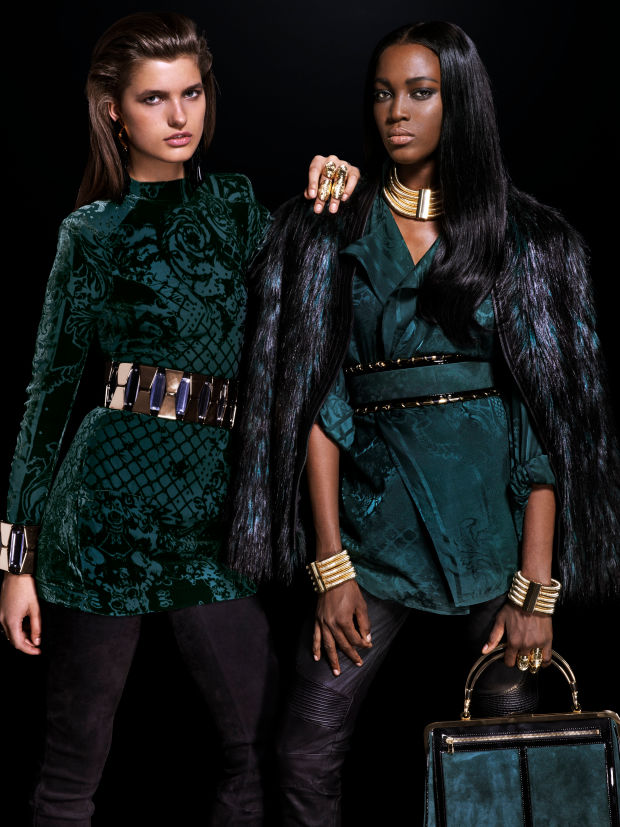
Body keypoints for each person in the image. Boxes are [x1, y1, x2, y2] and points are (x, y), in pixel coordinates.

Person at [226, 20, 620, 824]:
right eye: (382, 93)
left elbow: (544, 422)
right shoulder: (331, 226)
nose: (395, 112)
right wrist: (331, 565)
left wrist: (537, 591)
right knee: (303, 752)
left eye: (419, 92)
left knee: (509, 758)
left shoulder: (527, 240)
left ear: (459, 101)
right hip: (374, 533)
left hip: (495, 540)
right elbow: (317, 404)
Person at [0, 11, 359, 825]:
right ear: (114, 111)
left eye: (191, 93)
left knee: (257, 748)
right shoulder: (92, 232)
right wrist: (17, 561)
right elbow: (47, 395)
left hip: (209, 515)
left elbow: (308, 288)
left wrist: (340, 187)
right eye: (154, 98)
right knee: (73, 765)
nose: (178, 116)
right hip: (104, 516)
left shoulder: (235, 207)